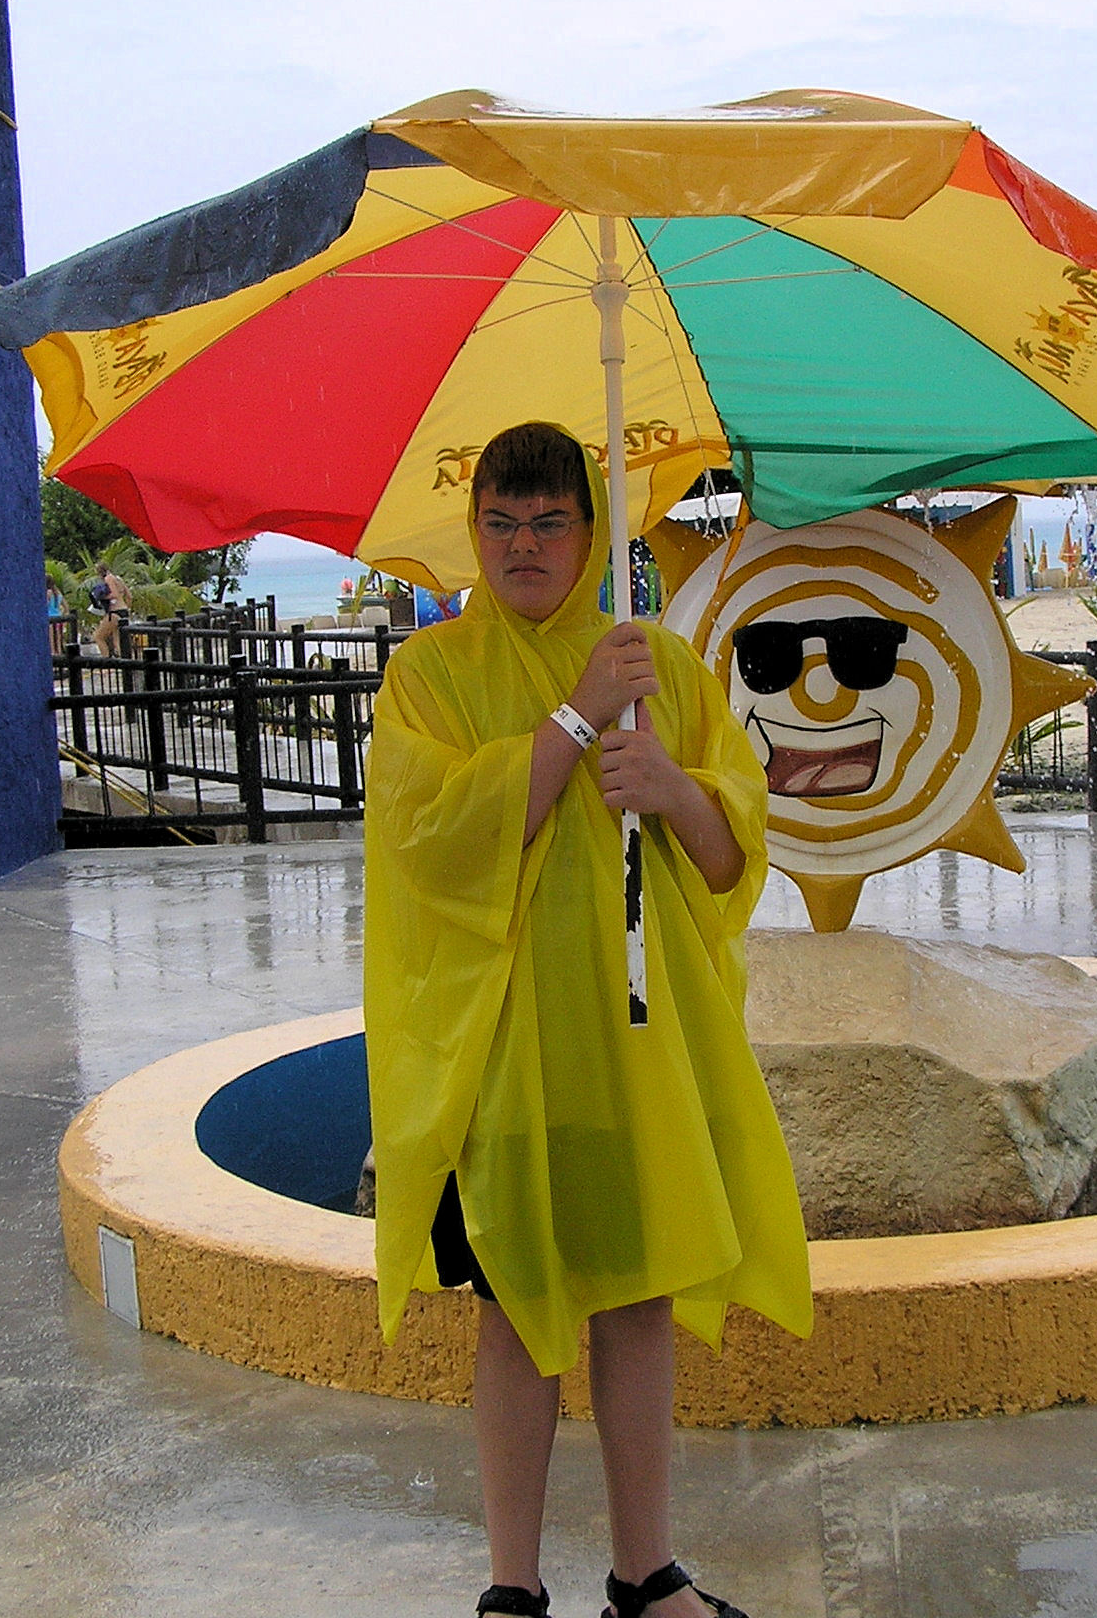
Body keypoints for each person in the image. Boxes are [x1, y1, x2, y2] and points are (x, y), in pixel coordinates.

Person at [364, 421, 810, 1618]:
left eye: (549, 520)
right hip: (501, 1050)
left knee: (634, 1295)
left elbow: (728, 860)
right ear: (474, 532)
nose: (524, 545)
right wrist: (568, 721)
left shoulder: (653, 660)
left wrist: (666, 786)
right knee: (512, 1304)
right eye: (501, 522)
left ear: (588, 529)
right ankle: (512, 1580)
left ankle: (642, 1569)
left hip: (635, 1041)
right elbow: (436, 841)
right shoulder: (432, 676)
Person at [88, 560, 131, 656]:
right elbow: (129, 596)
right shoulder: (119, 579)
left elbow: (114, 594)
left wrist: (102, 597)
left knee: (98, 637)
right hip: (123, 610)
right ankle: (125, 665)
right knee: (118, 641)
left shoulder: (109, 578)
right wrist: (127, 607)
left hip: (114, 612)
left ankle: (106, 661)